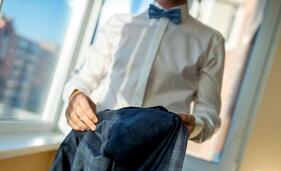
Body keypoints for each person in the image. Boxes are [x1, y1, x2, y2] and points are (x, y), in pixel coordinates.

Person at [63, 0, 225, 143]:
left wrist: (193, 126)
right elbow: (83, 79)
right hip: (97, 141)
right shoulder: (117, 24)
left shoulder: (211, 42)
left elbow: (209, 115)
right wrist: (76, 95)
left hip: (156, 158)